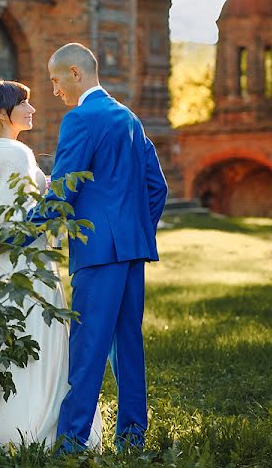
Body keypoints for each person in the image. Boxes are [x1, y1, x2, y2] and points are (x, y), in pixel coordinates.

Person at [0, 78, 101, 449]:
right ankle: (25, 427)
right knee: (33, 343)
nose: (32, 110)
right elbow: (10, 218)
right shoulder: (15, 153)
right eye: (24, 103)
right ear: (2, 113)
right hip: (21, 265)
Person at [32, 43, 168, 453]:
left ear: (75, 73)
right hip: (131, 250)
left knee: (88, 345)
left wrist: (12, 236)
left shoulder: (80, 119)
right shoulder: (129, 118)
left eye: (55, 80)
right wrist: (135, 230)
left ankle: (71, 443)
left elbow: (62, 192)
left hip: (97, 252)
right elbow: (156, 187)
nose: (54, 90)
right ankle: (131, 438)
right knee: (128, 345)